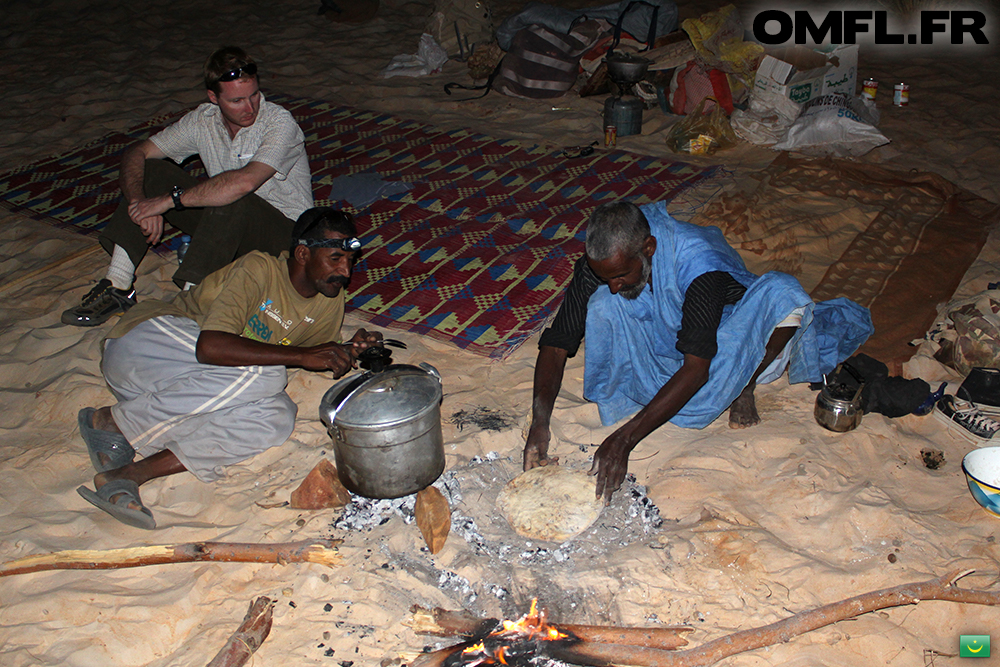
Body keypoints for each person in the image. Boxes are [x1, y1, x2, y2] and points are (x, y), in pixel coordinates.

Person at [523, 201, 874, 503]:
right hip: (675, 330)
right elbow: (558, 342)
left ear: (649, 248)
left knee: (784, 294)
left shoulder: (699, 265)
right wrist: (540, 422)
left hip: (727, 325)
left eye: (620, 276)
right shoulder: (607, 261)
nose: (614, 285)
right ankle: (648, 390)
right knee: (602, 305)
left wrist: (625, 439)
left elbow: (697, 369)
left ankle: (746, 382)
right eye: (607, 276)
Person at [75, 208, 378, 529]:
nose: (345, 270)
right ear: (303, 253)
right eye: (335, 258)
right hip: (142, 346)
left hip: (179, 389)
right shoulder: (259, 268)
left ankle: (130, 474)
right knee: (267, 372)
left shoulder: (329, 301)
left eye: (349, 260)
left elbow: (320, 352)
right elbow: (211, 347)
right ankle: (113, 423)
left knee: (278, 416)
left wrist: (349, 350)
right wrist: (302, 355)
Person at [62, 45, 314, 327]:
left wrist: (168, 202)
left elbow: (244, 182)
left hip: (284, 239)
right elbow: (136, 153)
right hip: (227, 225)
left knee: (231, 194)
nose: (250, 107)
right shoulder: (202, 120)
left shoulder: (279, 123)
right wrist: (141, 204)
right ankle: (118, 283)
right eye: (237, 100)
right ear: (213, 98)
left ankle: (189, 304)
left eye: (254, 95)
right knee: (153, 170)